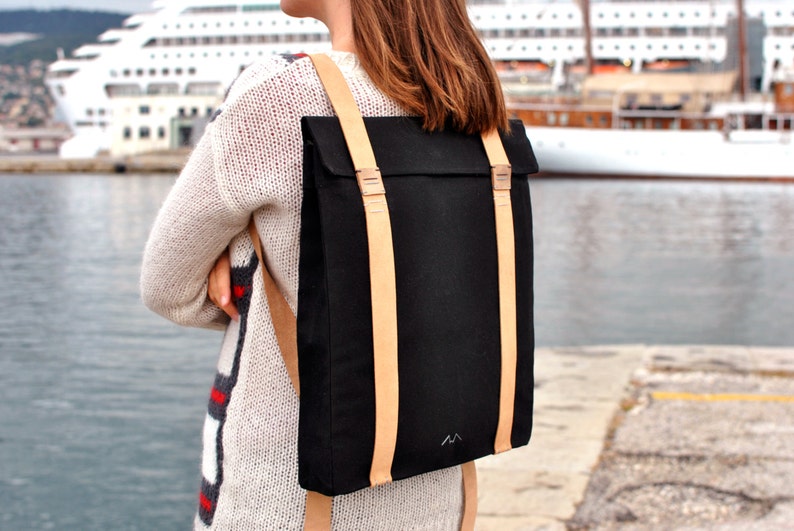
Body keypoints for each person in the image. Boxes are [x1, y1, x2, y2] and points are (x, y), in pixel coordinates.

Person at [140, 0, 508, 527]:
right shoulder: (474, 101)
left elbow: (167, 287)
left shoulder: (278, 92)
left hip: (288, 498)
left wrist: (242, 261)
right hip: (439, 492)